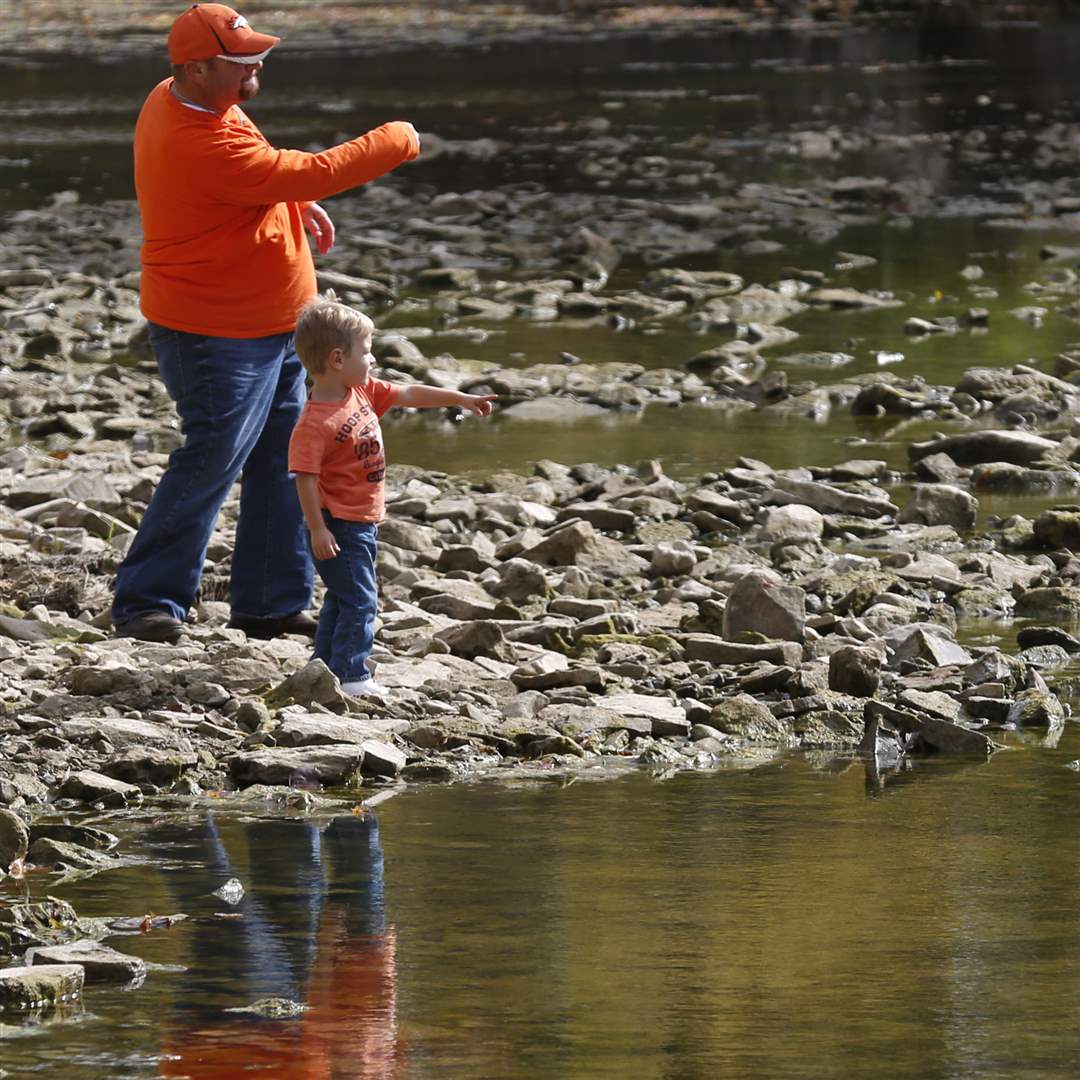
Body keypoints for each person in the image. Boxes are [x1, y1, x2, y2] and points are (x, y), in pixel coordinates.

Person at [112, 2, 421, 645]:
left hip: (276, 327)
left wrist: (290, 199)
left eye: (258, 54)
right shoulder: (197, 135)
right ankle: (146, 601)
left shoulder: (198, 101)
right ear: (196, 69)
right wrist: (397, 136)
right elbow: (313, 167)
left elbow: (267, 170)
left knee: (289, 457)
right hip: (216, 333)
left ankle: (269, 604)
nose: (256, 67)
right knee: (211, 459)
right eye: (241, 60)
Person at [288, 296, 495, 697]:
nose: (374, 360)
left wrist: (459, 398)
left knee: (343, 597)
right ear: (336, 359)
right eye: (367, 352)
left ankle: (325, 668)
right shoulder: (315, 423)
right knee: (362, 601)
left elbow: (408, 394)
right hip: (337, 524)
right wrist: (316, 529)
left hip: (361, 521)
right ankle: (352, 675)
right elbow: (305, 479)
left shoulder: (361, 391)